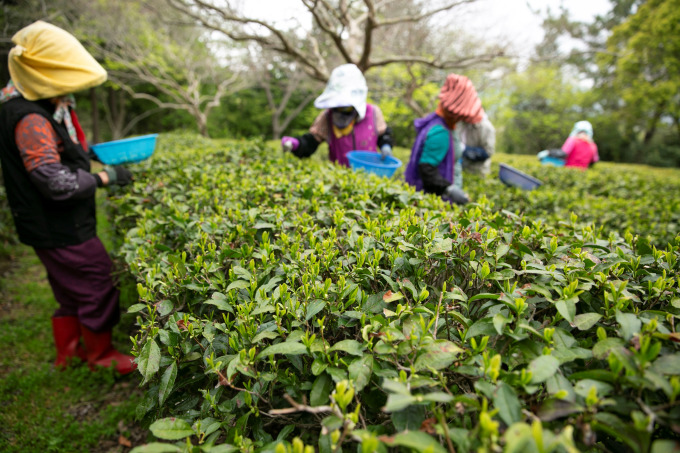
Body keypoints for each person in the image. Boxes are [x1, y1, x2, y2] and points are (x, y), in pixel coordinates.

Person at [0, 21, 136, 374]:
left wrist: (88, 153)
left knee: (67, 287)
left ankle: (70, 353)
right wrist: (105, 177)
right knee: (97, 280)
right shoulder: (30, 118)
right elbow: (54, 180)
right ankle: (100, 355)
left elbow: (55, 151)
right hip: (59, 225)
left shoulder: (22, 101)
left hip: (41, 225)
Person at [281, 63, 394, 167]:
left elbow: (383, 136)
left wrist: (386, 145)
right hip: (340, 178)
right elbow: (311, 142)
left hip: (370, 173)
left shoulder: (373, 113)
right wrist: (296, 144)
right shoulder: (327, 116)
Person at [404, 73, 486, 205]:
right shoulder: (440, 132)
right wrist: (449, 189)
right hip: (432, 202)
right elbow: (426, 169)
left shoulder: (442, 124)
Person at [460, 113, 495, 177]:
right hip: (462, 170)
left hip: (478, 173)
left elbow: (488, 152)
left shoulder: (486, 127)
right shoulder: (462, 123)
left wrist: (465, 149)